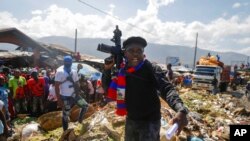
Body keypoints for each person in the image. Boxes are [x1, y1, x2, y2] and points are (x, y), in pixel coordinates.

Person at [102, 36, 188, 141]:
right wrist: (107, 69)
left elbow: (167, 89)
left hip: (150, 122)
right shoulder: (122, 72)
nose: (135, 53)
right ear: (125, 53)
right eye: (131, 50)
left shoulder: (151, 69)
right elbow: (107, 89)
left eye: (139, 50)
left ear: (143, 53)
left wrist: (181, 109)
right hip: (131, 120)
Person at [55, 56, 88, 131]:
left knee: (85, 106)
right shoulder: (60, 72)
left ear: (71, 63)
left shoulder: (74, 71)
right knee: (65, 115)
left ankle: (79, 122)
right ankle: (65, 131)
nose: (68, 63)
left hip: (74, 95)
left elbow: (77, 83)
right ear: (64, 62)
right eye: (66, 62)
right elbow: (56, 87)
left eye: (69, 62)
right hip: (65, 96)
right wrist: (59, 100)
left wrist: (77, 92)